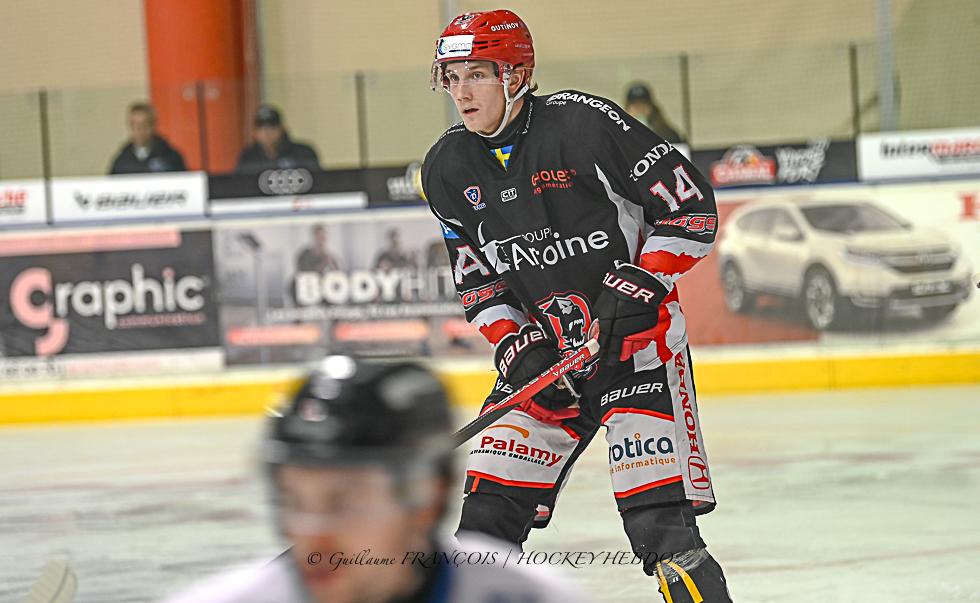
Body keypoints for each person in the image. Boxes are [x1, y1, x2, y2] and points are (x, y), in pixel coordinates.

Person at [421, 10, 732, 602]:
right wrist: (516, 346)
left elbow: (691, 209)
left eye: (477, 74)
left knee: (663, 534)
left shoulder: (585, 125)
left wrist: (641, 282)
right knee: (482, 534)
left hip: (635, 352)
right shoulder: (445, 169)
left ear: (516, 75)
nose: (461, 91)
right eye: (452, 77)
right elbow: (478, 282)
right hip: (548, 366)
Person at [162, 356, 595, 603]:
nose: (312, 534)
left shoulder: (523, 595)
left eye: (343, 502)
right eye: (294, 501)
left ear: (427, 497)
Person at [235, 104, 321, 174]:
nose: (266, 133)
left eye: (272, 127)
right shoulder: (248, 157)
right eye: (261, 128)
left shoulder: (304, 153)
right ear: (254, 132)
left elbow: (318, 183)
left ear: (282, 128)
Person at [108, 102, 187, 174]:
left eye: (144, 125)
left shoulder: (171, 158)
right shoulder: (122, 160)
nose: (139, 130)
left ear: (153, 125)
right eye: (134, 125)